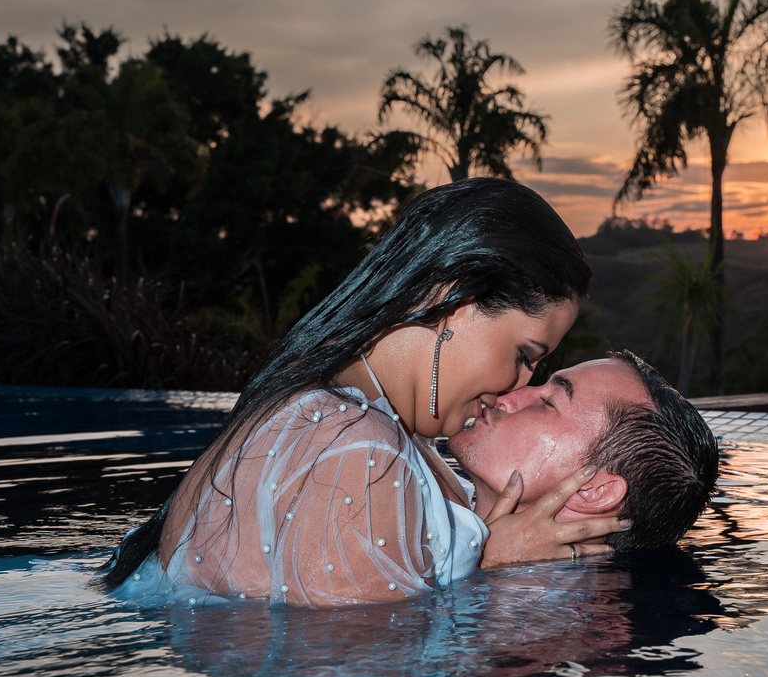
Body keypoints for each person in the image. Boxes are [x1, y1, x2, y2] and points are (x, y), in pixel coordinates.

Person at [96, 176, 623, 607]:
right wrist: (492, 568)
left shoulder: (329, 416)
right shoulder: (359, 451)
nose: (518, 385)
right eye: (524, 356)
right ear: (449, 298)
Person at [450, 350, 719, 556]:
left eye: (547, 403)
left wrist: (484, 567)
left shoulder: (561, 619)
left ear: (592, 490)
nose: (506, 396)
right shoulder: (431, 493)